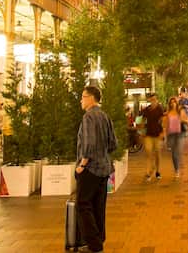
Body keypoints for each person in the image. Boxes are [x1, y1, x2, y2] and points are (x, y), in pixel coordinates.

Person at [75, 84, 117, 253]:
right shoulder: (105, 116)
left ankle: (94, 244)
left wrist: (82, 164)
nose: (81, 100)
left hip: (90, 168)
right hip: (104, 167)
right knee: (98, 206)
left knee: (83, 205)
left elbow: (89, 144)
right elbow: (113, 143)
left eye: (83, 97)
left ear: (91, 98)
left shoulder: (88, 117)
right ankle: (98, 241)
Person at [141, 93, 166, 182]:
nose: (153, 101)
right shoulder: (147, 110)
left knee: (158, 153)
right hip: (149, 134)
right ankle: (148, 172)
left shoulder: (160, 108)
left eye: (155, 99)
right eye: (152, 100)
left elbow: (163, 120)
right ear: (149, 100)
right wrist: (142, 130)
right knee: (148, 152)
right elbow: (143, 120)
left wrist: (163, 131)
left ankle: (158, 171)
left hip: (158, 134)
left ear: (157, 100)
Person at [165, 96, 188, 181]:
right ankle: (176, 169)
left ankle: (177, 170)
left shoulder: (180, 111)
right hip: (171, 134)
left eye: (174, 102)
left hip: (180, 134)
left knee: (178, 152)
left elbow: (187, 120)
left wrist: (182, 120)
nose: (173, 104)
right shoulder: (168, 113)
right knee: (173, 154)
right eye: (171, 103)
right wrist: (165, 135)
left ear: (176, 103)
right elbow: (166, 125)